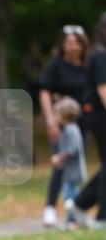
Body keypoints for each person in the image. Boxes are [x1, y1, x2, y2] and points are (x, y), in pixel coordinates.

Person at [38, 25, 89, 227]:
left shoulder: (88, 66)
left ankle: (75, 210)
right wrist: (51, 119)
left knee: (75, 165)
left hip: (84, 123)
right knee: (60, 165)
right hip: (62, 124)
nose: (72, 47)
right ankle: (51, 206)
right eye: (68, 43)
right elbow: (45, 91)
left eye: (76, 43)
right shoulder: (56, 66)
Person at [74, 13, 106, 227]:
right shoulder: (100, 56)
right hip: (98, 114)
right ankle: (102, 216)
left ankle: (80, 204)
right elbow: (103, 90)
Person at [49, 97, 87, 227]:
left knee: (69, 197)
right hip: (69, 172)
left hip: (73, 173)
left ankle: (73, 221)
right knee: (71, 195)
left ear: (64, 115)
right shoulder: (69, 129)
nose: (56, 117)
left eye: (57, 114)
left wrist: (58, 157)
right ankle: (74, 220)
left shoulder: (71, 130)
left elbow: (71, 149)